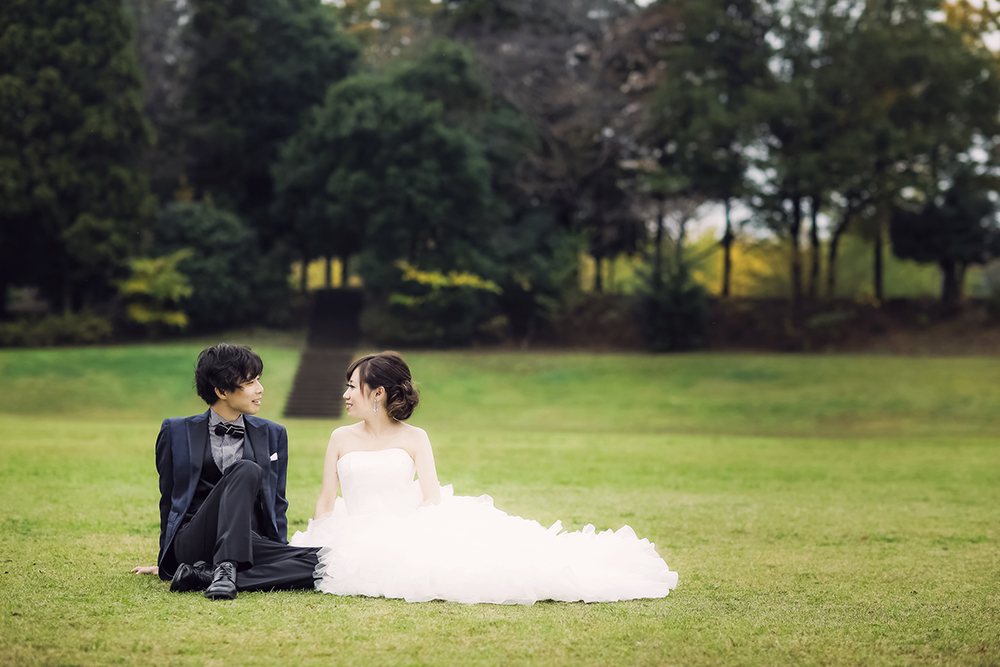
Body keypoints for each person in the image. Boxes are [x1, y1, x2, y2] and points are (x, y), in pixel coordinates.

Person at [290, 351, 679, 605]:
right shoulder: (340, 438)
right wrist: (321, 536)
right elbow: (327, 498)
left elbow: (431, 498)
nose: (345, 394)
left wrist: (409, 538)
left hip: (405, 526)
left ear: (376, 393)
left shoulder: (414, 438)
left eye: (351, 386)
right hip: (352, 528)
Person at [145, 343, 320, 599]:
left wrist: (278, 550)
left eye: (258, 380)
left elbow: (277, 503)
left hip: (248, 540)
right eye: (250, 382)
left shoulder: (273, 433)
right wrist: (165, 562)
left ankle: (205, 576)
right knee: (247, 469)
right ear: (222, 390)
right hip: (195, 539)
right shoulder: (176, 431)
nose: (260, 389)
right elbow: (169, 500)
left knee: (325, 560)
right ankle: (225, 567)